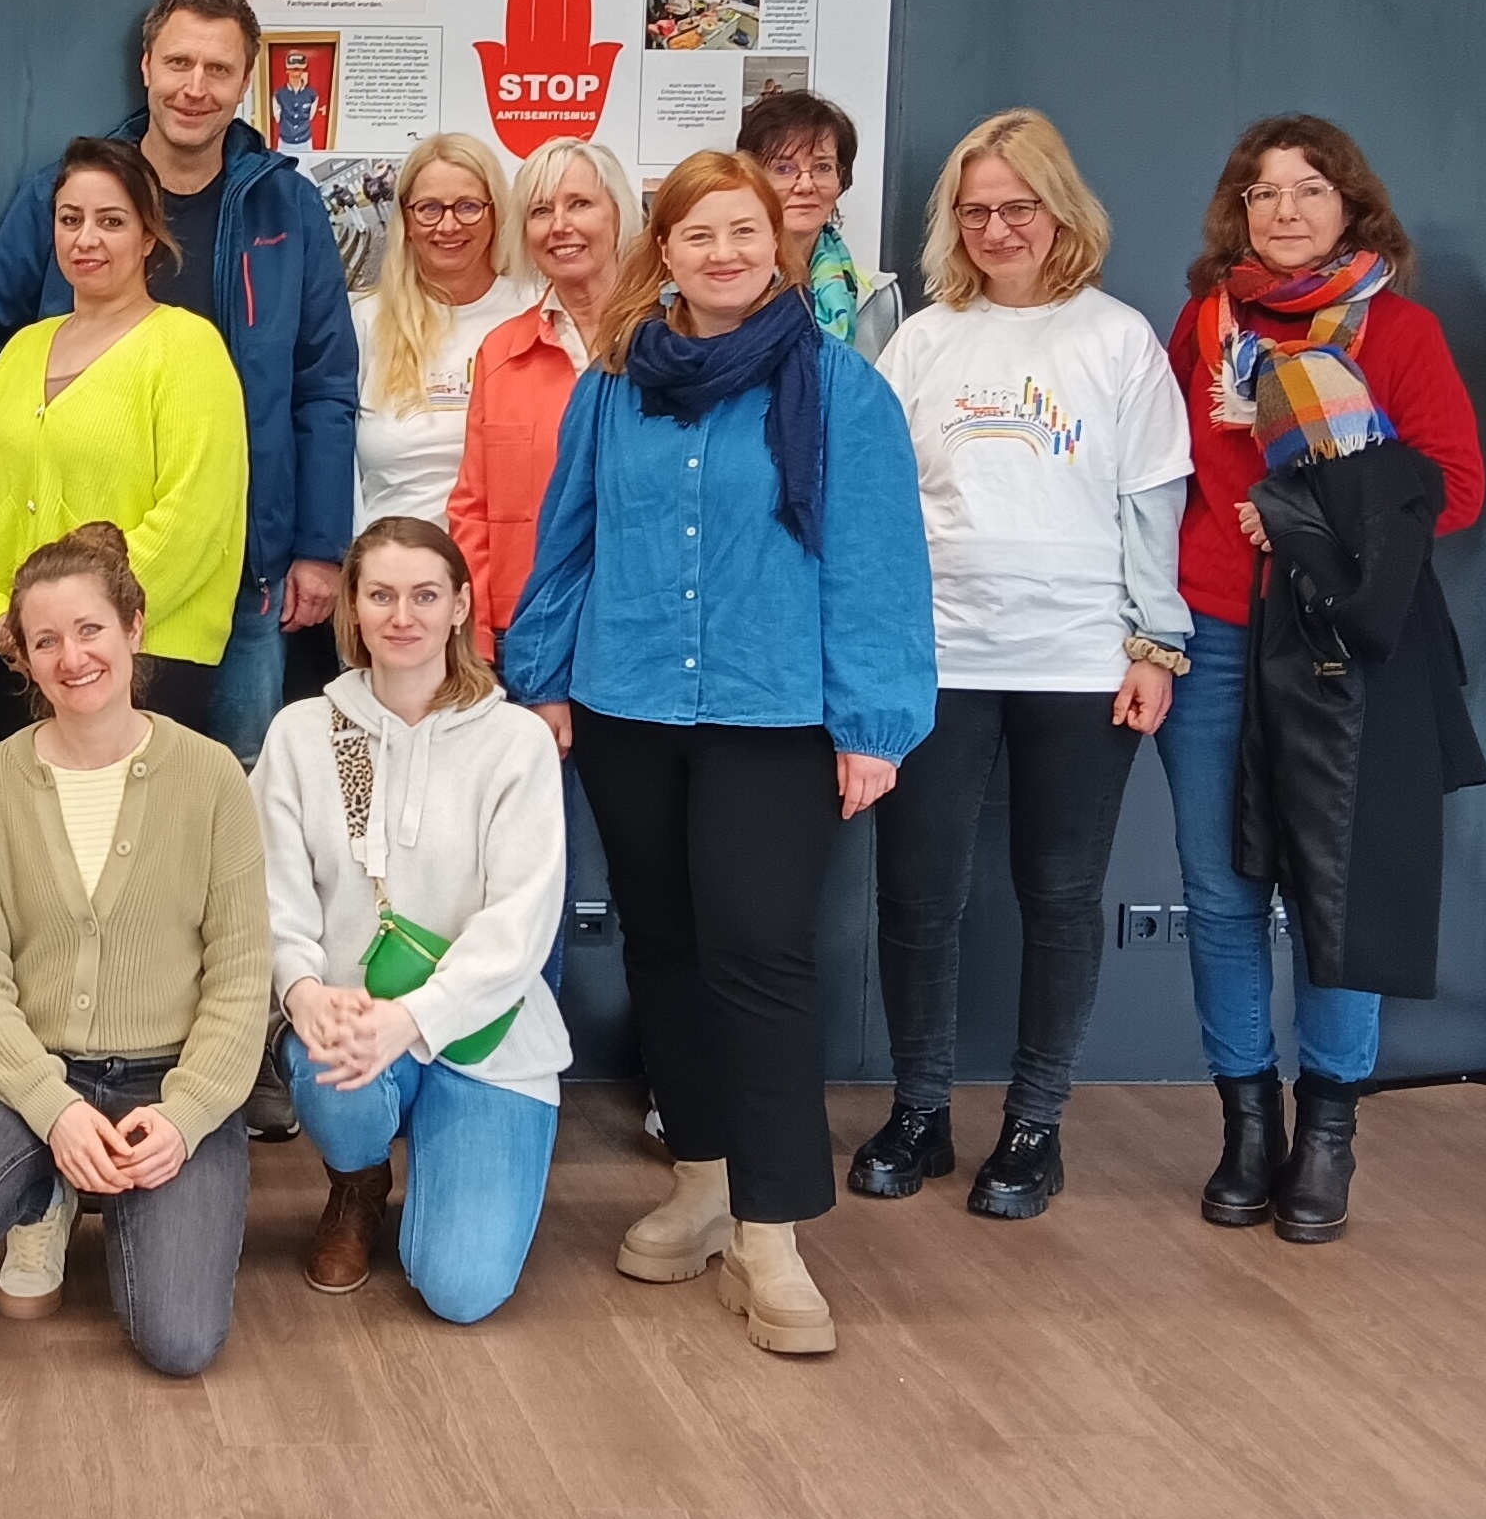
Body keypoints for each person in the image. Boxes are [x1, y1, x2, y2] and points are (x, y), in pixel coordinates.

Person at [503, 149, 933, 1359]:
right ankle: (698, 1180)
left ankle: (771, 1229)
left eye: (743, 231)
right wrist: (542, 676)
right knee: (665, 947)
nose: (723, 253)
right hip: (629, 700)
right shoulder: (615, 383)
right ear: (666, 250)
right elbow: (569, 537)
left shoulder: (840, 389)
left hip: (773, 709)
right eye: (698, 234)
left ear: (776, 243)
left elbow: (878, 562)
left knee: (759, 953)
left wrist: (873, 720)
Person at [859, 111, 1192, 1218]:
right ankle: (918, 1111)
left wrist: (1155, 645)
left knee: (1058, 897)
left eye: (1018, 207)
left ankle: (1034, 1123)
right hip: (937, 659)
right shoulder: (923, 341)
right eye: (975, 210)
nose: (997, 228)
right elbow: (875, 502)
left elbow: (1152, 505)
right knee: (916, 897)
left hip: (1078, 663)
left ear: (1060, 212)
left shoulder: (1117, 339)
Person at [1163, 114, 1485, 1242]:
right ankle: (1246, 1124)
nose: (1284, 210)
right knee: (1219, 893)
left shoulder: (1397, 330)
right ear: (1237, 211)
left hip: (1335, 647)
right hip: (1211, 631)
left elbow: (1451, 488)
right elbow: (1164, 475)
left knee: (1331, 897)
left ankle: (1329, 1131)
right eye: (1262, 192)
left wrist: (1306, 514)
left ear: (1350, 204)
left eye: (1307, 188)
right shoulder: (1206, 324)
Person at [0, 0, 357, 763]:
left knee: (220, 787)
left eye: (217, 69)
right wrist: (18, 507)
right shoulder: (58, 195)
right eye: (177, 63)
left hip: (246, 566)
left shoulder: (285, 206)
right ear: (145, 66)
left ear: (245, 81)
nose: (194, 88)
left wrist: (317, 544)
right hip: (54, 591)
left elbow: (323, 384)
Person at [0, 526, 271, 1377]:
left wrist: (185, 1116)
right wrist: (52, 1108)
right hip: (32, 1065)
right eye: (46, 641)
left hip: (167, 1078)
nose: (72, 658)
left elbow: (242, 974)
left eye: (90, 629)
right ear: (23, 659)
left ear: (134, 627)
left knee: (178, 1344)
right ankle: (45, 1196)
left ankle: (134, 1189)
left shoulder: (213, 776)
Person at [255, 518, 568, 1322]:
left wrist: (415, 1018)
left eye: (425, 596)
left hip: (486, 1037)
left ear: (459, 606)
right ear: (352, 608)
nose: (402, 617)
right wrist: (301, 992)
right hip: (348, 1024)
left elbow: (520, 924)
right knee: (334, 1072)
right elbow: (271, 895)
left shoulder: (516, 743)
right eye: (381, 596)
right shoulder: (301, 734)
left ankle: (451, 1161)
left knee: (461, 1291)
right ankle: (357, 1185)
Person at [0, 137, 248, 734]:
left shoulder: (187, 347)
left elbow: (195, 518)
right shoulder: (20, 350)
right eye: (70, 220)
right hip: (22, 659)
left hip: (147, 658)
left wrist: (84, 627)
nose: (85, 238)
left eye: (110, 221)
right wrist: (2, 620)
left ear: (148, 235)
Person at [451, 138, 633, 664]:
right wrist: (476, 640)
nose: (560, 225)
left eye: (580, 204)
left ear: (617, 215)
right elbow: (473, 509)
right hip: (527, 631)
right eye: (541, 211)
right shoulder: (501, 352)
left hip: (641, 634)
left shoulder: (671, 344)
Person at [351, 134, 535, 533]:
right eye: (429, 209)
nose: (448, 225)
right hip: (390, 561)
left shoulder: (536, 312)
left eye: (468, 206)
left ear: (495, 214)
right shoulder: (365, 320)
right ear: (406, 221)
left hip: (506, 561)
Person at [737, 90, 896, 356]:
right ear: (752, 179)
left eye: (822, 167)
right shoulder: (722, 281)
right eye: (783, 168)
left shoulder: (877, 297)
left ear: (841, 181)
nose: (805, 185)